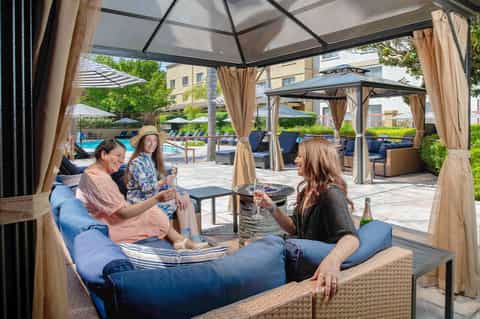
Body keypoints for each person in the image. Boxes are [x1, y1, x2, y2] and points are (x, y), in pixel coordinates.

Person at [254, 138, 360, 302]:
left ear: (314, 159)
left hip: (311, 267)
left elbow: (351, 238)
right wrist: (271, 207)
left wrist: (333, 261)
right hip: (299, 260)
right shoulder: (306, 191)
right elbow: (294, 228)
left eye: (300, 156)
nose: (296, 160)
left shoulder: (331, 193)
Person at [76, 139, 202, 250]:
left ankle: (181, 240)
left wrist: (167, 187)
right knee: (155, 211)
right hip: (110, 224)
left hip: (109, 213)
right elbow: (126, 211)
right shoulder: (101, 179)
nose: (121, 161)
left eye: (123, 157)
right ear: (104, 154)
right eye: (118, 156)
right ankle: (182, 241)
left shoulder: (92, 173)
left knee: (182, 198)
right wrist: (158, 197)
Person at [126, 125, 206, 247]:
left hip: (152, 197)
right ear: (142, 142)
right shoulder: (137, 162)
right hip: (140, 202)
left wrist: (175, 192)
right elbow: (146, 189)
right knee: (179, 202)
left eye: (155, 140)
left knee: (185, 198)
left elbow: (157, 188)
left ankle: (192, 238)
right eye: (148, 140)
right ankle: (187, 240)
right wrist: (163, 182)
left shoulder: (150, 160)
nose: (152, 143)